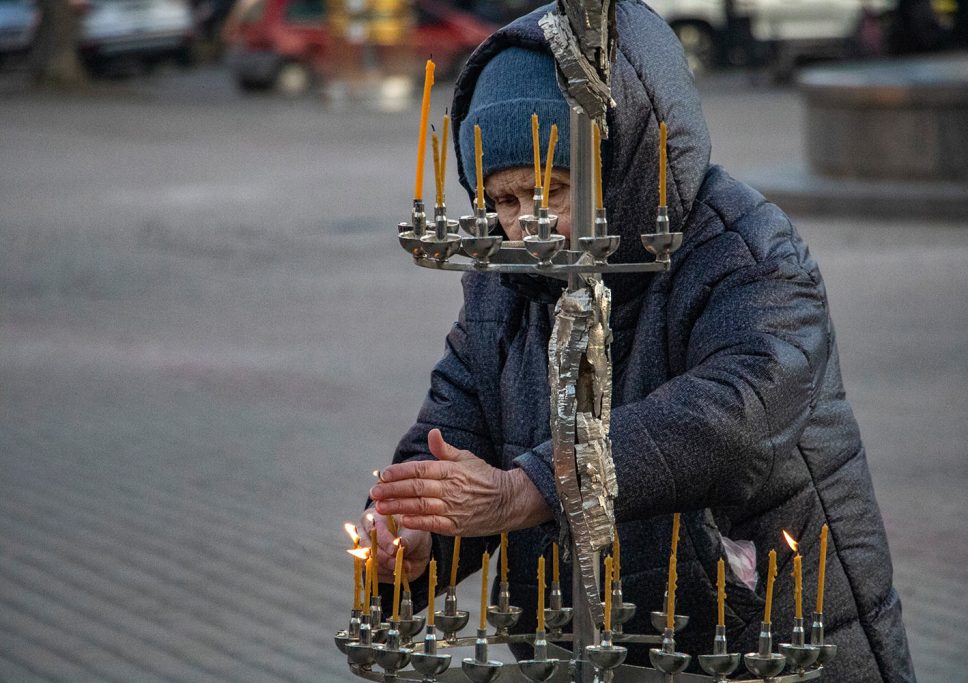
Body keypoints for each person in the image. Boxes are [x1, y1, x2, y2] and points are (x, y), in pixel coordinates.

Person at [360, 2, 915, 679]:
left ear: (620, 161)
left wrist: (534, 484)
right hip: (586, 651)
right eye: (505, 201)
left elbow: (734, 414)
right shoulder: (502, 285)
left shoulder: (744, 249)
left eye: (554, 190)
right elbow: (456, 431)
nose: (528, 226)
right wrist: (415, 538)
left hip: (759, 642)